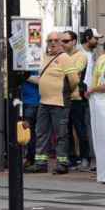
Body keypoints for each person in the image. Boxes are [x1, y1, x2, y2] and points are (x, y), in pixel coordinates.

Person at [25, 32, 79, 174]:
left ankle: (62, 163)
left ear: (61, 42)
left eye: (56, 40)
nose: (53, 43)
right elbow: (42, 80)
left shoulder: (65, 58)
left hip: (60, 102)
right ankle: (40, 163)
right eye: (50, 40)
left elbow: (74, 80)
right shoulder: (44, 58)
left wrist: (65, 91)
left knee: (61, 134)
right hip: (44, 102)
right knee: (41, 133)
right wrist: (27, 77)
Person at [63, 30, 93, 172]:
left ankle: (85, 158)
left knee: (80, 129)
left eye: (66, 41)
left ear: (74, 41)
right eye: (61, 41)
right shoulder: (61, 56)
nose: (62, 44)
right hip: (63, 98)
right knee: (66, 130)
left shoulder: (81, 56)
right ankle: (72, 158)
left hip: (77, 98)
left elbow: (73, 73)